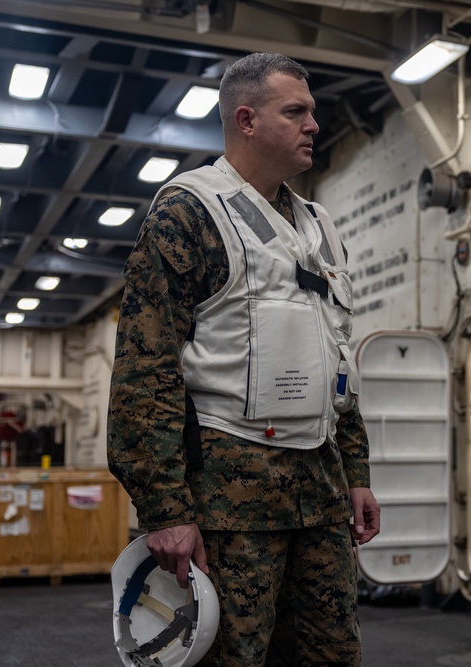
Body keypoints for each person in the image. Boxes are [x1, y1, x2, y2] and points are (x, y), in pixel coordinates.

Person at [107, 52, 380, 666]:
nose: (315, 124)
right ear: (247, 120)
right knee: (232, 658)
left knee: (331, 655)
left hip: (321, 495)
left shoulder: (318, 227)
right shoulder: (189, 213)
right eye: (297, 111)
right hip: (230, 508)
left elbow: (337, 360)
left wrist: (356, 472)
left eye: (314, 111)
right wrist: (164, 510)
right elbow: (144, 371)